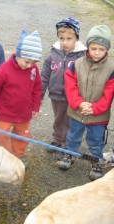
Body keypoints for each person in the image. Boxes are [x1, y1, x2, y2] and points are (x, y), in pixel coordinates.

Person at [57, 25, 114, 181]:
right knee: (73, 136)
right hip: (77, 112)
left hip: (98, 117)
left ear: (106, 49)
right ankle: (70, 154)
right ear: (88, 46)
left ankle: (96, 161)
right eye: (93, 48)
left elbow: (109, 95)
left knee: (96, 141)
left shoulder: (111, 69)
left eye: (101, 49)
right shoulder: (76, 64)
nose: (96, 52)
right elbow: (71, 87)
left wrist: (95, 109)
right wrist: (79, 103)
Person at [0, 29, 42, 161]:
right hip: (6, 113)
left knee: (22, 136)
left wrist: (35, 107)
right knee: (3, 135)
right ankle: (6, 155)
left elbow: (37, 89)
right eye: (27, 61)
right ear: (18, 54)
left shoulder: (33, 69)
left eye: (33, 63)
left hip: (24, 113)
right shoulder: (4, 70)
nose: (29, 65)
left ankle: (18, 155)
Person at [41, 17, 86, 151]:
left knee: (69, 121)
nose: (65, 42)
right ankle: (56, 139)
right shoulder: (52, 54)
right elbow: (44, 76)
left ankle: (67, 145)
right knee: (58, 117)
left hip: (72, 97)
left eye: (69, 39)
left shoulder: (82, 56)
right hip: (55, 94)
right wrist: (40, 94)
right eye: (62, 38)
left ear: (76, 38)